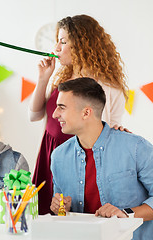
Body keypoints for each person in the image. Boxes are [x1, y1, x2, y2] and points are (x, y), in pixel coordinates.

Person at [28, 14, 129, 214]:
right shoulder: (62, 81)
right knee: (46, 217)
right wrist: (43, 78)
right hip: (50, 152)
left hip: (79, 160)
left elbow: (110, 132)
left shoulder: (109, 87)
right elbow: (34, 115)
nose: (56, 48)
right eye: (57, 41)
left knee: (75, 214)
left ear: (82, 45)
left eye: (63, 41)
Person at [50, 78, 153, 240]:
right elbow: (61, 211)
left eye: (61, 108)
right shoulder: (58, 156)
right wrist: (61, 208)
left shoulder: (135, 147)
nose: (55, 114)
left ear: (86, 112)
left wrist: (126, 213)